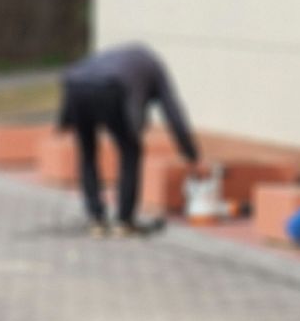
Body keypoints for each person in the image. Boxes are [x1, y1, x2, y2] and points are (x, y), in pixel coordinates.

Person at [58, 42, 199, 238]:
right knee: (131, 151)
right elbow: (172, 112)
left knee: (87, 152)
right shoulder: (154, 69)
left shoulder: (129, 60)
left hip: (74, 86)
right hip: (108, 88)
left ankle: (96, 219)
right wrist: (191, 153)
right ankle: (124, 221)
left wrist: (64, 121)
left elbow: (79, 76)